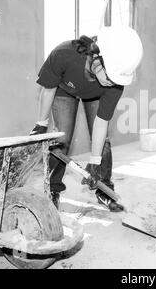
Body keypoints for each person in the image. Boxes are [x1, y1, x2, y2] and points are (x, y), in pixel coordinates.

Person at [30, 25, 143, 212]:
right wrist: (41, 123)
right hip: (63, 90)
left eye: (117, 79)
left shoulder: (114, 85)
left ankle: (104, 189)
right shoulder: (63, 54)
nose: (112, 81)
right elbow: (48, 88)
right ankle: (53, 189)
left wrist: (95, 161)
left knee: (102, 143)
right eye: (110, 75)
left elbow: (102, 121)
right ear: (96, 56)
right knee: (61, 140)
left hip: (95, 94)